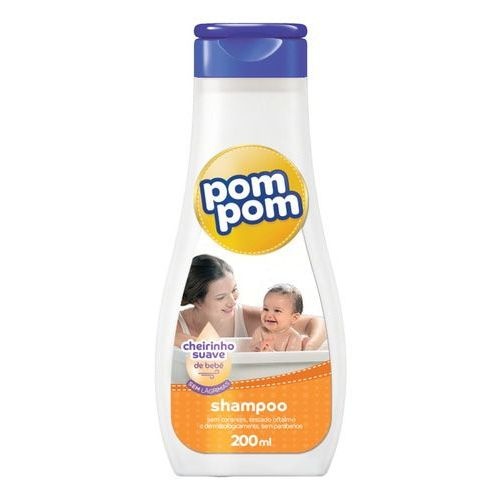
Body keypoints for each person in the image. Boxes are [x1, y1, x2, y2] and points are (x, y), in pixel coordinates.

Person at [175, 254, 326, 349]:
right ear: (197, 301)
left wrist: (310, 345)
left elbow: (317, 322)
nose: (232, 301)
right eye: (221, 297)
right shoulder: (175, 326)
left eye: (234, 290)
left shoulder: (243, 316)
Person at [250, 284, 307, 352]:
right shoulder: (260, 332)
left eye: (277, 310)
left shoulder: (293, 337)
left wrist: (271, 353)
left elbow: (292, 358)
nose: (269, 315)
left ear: (294, 318)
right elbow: (251, 351)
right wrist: (257, 348)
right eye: (266, 309)